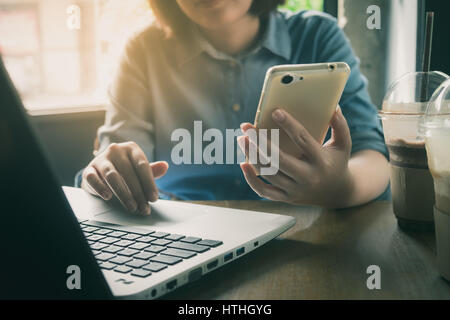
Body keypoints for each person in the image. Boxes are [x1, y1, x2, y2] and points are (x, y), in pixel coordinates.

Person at [77, 0, 390, 216]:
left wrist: (340, 189)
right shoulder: (143, 50)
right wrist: (110, 170)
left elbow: (373, 155)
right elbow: (114, 158)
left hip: (304, 231)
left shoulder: (319, 35)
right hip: (182, 233)